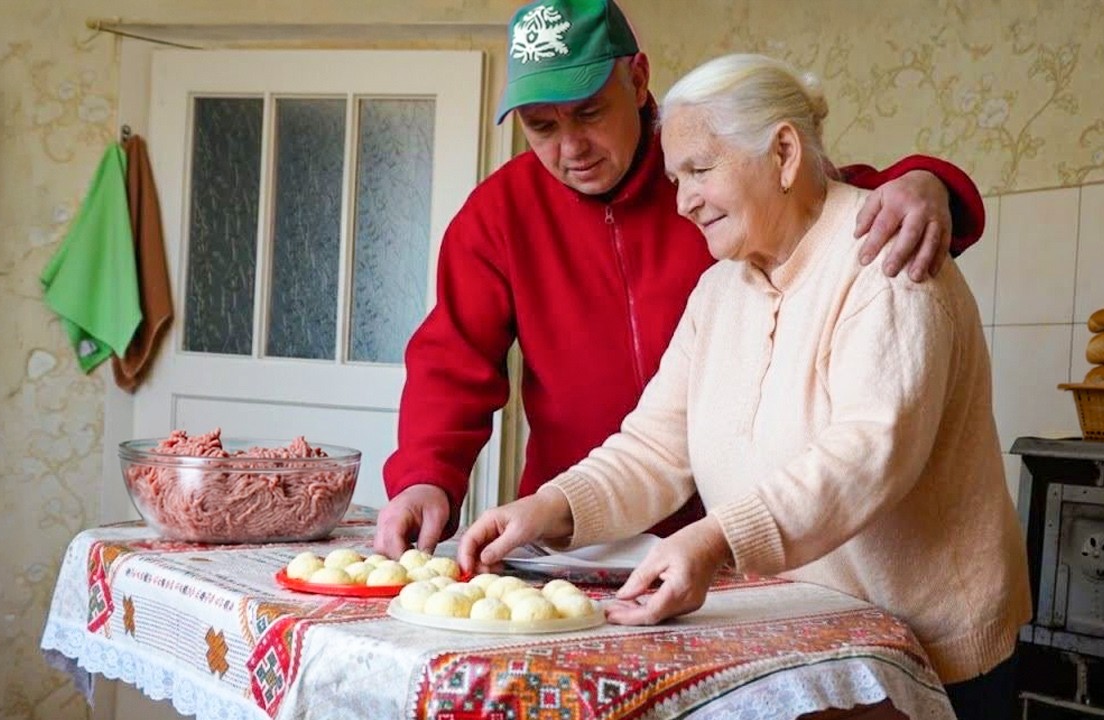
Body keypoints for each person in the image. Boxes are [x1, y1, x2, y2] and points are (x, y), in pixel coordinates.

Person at [456, 52, 1031, 720]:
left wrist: (716, 540)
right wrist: (548, 509)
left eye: (701, 171)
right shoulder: (718, 290)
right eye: (676, 179)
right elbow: (653, 447)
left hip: (930, 654)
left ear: (784, 153)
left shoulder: (886, 255)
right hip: (806, 641)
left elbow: (868, 452)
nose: (684, 201)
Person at [375, 0, 987, 558]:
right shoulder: (500, 215)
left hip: (748, 534)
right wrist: (425, 476)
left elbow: (827, 205)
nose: (571, 148)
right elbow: (452, 360)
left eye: (589, 112)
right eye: (542, 127)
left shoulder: (726, 179)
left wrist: (929, 181)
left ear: (638, 80)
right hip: (583, 519)